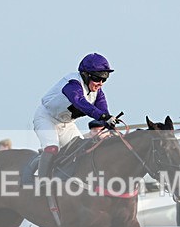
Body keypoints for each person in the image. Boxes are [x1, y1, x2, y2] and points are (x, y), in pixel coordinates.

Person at [33, 53, 118, 182]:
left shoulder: (97, 92)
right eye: (97, 78)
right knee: (52, 148)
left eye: (104, 80)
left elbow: (103, 110)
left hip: (66, 124)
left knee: (83, 149)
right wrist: (102, 116)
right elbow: (80, 102)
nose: (100, 83)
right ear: (85, 75)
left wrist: (108, 123)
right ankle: (42, 183)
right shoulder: (72, 84)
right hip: (46, 118)